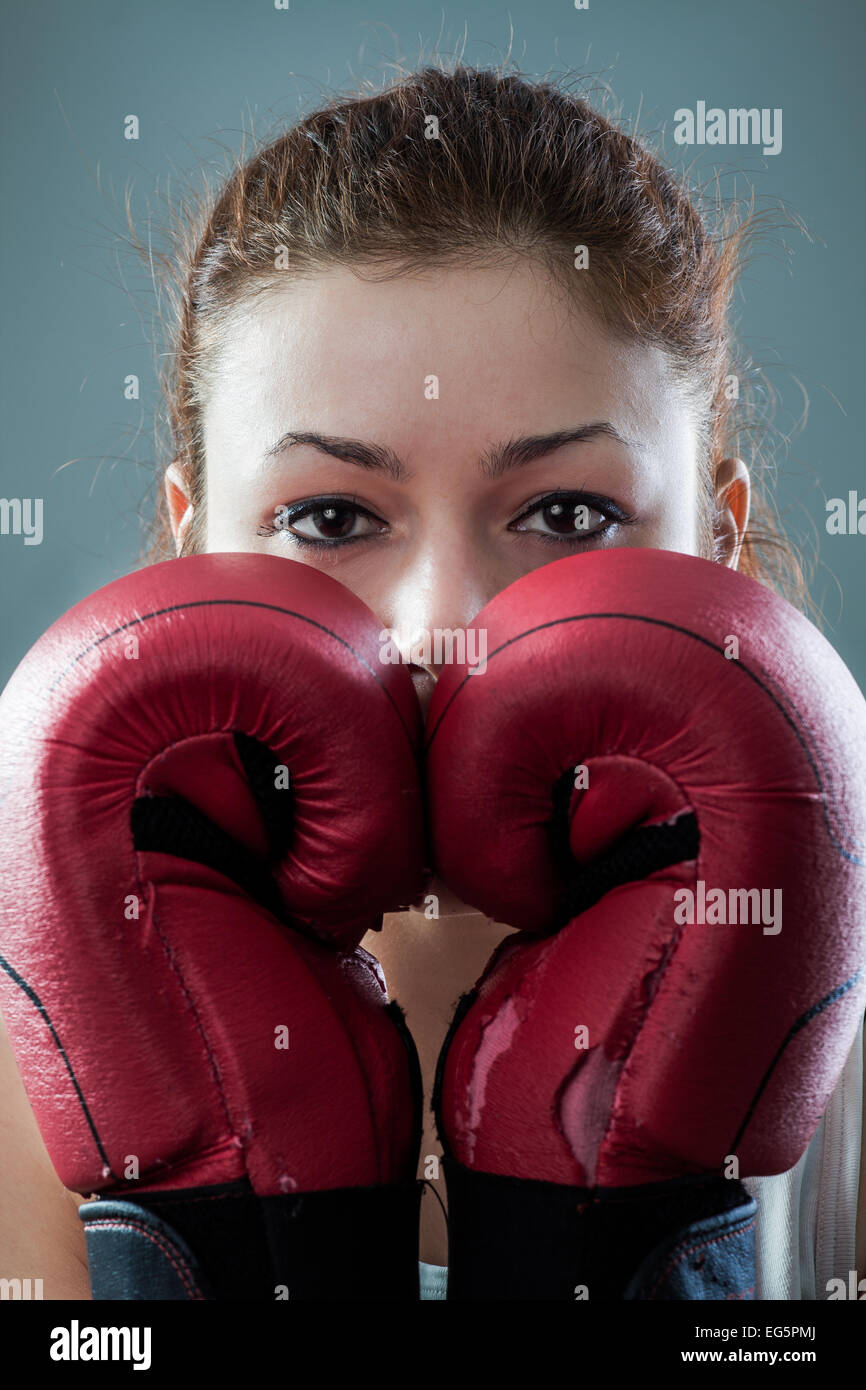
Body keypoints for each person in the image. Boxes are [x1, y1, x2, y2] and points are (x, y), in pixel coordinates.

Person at [1, 62, 863, 1301]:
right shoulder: (32, 1036)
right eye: (331, 515)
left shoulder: (844, 1032)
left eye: (566, 511)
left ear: (715, 547)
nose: (439, 624)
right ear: (190, 550)